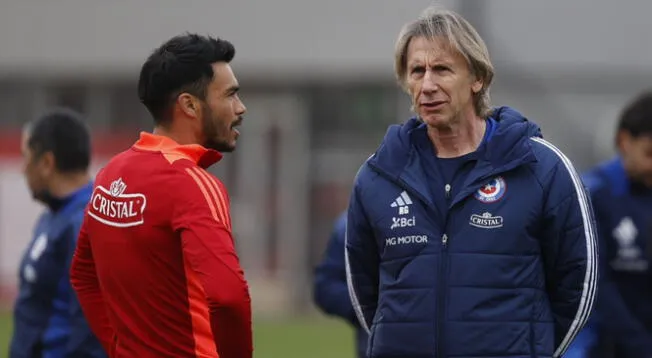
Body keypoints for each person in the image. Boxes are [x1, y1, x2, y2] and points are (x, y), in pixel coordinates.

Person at [344, 6, 598, 358]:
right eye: (417, 71)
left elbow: (578, 286)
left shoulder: (543, 169)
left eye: (442, 70)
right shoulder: (378, 175)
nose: (427, 85)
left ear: (477, 78)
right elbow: (365, 293)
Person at [69, 33, 252, 357]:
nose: (241, 108)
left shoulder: (112, 173)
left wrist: (117, 347)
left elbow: (83, 273)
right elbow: (227, 297)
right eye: (230, 95)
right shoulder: (191, 183)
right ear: (189, 105)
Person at [9, 108, 106, 357]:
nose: (23, 169)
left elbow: (90, 326)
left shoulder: (85, 223)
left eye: (26, 157)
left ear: (46, 163)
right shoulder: (55, 214)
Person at [566, 91, 652, 358]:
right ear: (624, 141)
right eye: (650, 154)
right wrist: (641, 347)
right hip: (600, 345)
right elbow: (597, 288)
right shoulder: (592, 194)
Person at [313, 211, 369, 358]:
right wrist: (368, 308)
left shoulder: (433, 213)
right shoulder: (351, 222)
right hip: (373, 344)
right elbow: (325, 286)